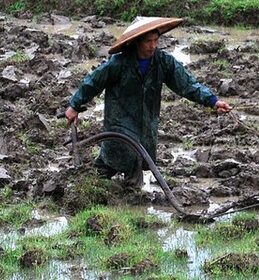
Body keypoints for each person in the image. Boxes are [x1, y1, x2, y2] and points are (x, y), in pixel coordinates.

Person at [65, 16, 232, 184]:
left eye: (155, 40)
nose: (152, 46)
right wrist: (75, 105)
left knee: (136, 158)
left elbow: (187, 84)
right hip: (120, 120)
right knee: (116, 156)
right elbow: (93, 82)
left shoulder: (163, 62)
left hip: (146, 121)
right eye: (147, 41)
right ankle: (91, 188)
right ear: (137, 42)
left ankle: (128, 196)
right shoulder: (119, 63)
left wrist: (212, 101)